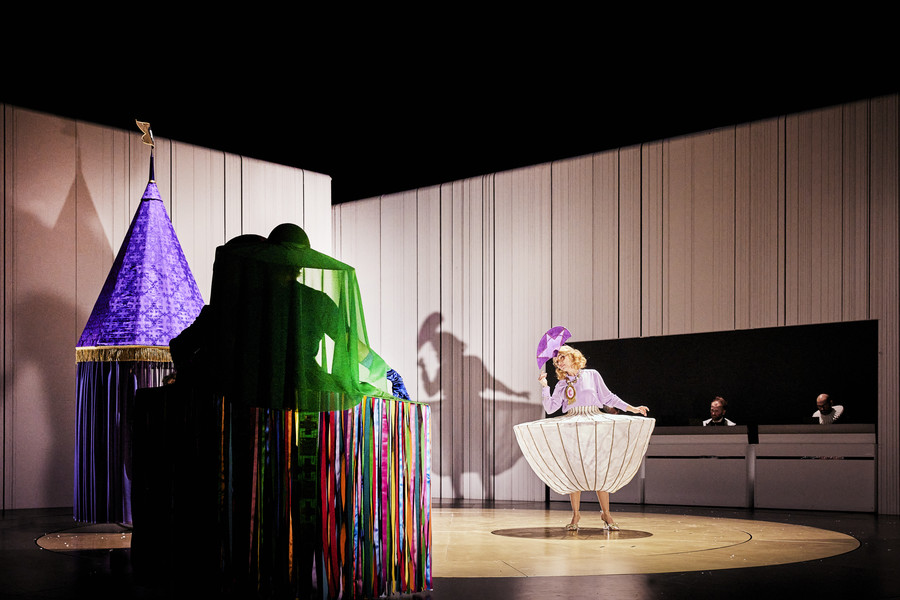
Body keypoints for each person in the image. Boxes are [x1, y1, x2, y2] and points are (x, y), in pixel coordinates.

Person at [537, 345, 650, 532]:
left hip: (594, 422)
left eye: (562, 357)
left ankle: (606, 513)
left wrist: (633, 408)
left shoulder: (592, 375)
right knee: (574, 470)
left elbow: (609, 398)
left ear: (573, 356)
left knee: (599, 469)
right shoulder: (561, 384)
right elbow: (550, 408)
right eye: (556, 360)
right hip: (573, 425)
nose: (559, 362)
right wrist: (545, 387)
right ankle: (576, 515)